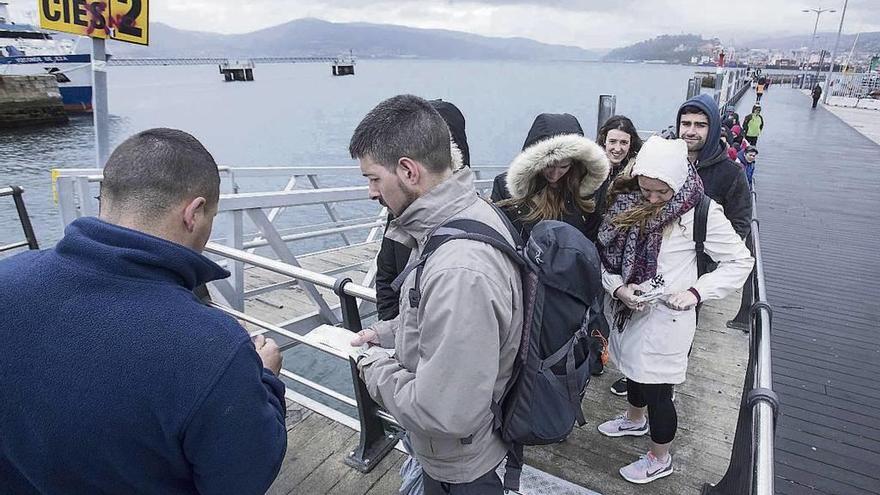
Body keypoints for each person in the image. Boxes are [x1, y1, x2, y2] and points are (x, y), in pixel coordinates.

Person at [0, 129, 287, 494]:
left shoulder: (6, 278)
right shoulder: (212, 346)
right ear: (194, 213)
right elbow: (243, 479)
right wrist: (265, 380)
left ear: (105, 198)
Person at [348, 95, 523, 494]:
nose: (371, 192)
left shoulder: (459, 268)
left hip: (462, 462)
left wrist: (371, 365)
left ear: (408, 170)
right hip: (468, 447)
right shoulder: (468, 213)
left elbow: (444, 411)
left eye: (373, 178)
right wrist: (388, 335)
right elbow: (441, 320)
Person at [596, 136, 753, 484]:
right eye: (645, 189)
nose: (650, 199)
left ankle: (659, 456)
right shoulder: (628, 202)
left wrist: (697, 292)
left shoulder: (702, 211)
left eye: (661, 193)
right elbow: (605, 256)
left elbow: (741, 262)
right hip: (630, 307)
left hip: (668, 315)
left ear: (678, 182)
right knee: (631, 369)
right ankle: (634, 419)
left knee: (659, 388)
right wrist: (619, 288)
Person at [609, 94, 752, 397]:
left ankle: (661, 391)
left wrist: (701, 274)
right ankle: (637, 392)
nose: (690, 130)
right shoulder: (655, 168)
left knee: (665, 366)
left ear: (713, 128)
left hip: (690, 275)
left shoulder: (729, 175)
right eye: (685, 123)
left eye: (700, 124)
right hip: (644, 288)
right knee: (639, 356)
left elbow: (738, 227)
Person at [374, 99, 470, 321]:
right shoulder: (400, 212)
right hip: (407, 335)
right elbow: (386, 275)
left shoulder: (470, 218)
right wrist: (390, 330)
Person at [491, 113, 609, 242]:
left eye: (564, 167)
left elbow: (591, 237)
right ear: (535, 162)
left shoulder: (589, 190)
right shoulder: (504, 187)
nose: (555, 174)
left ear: (574, 164)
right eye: (549, 166)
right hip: (522, 260)